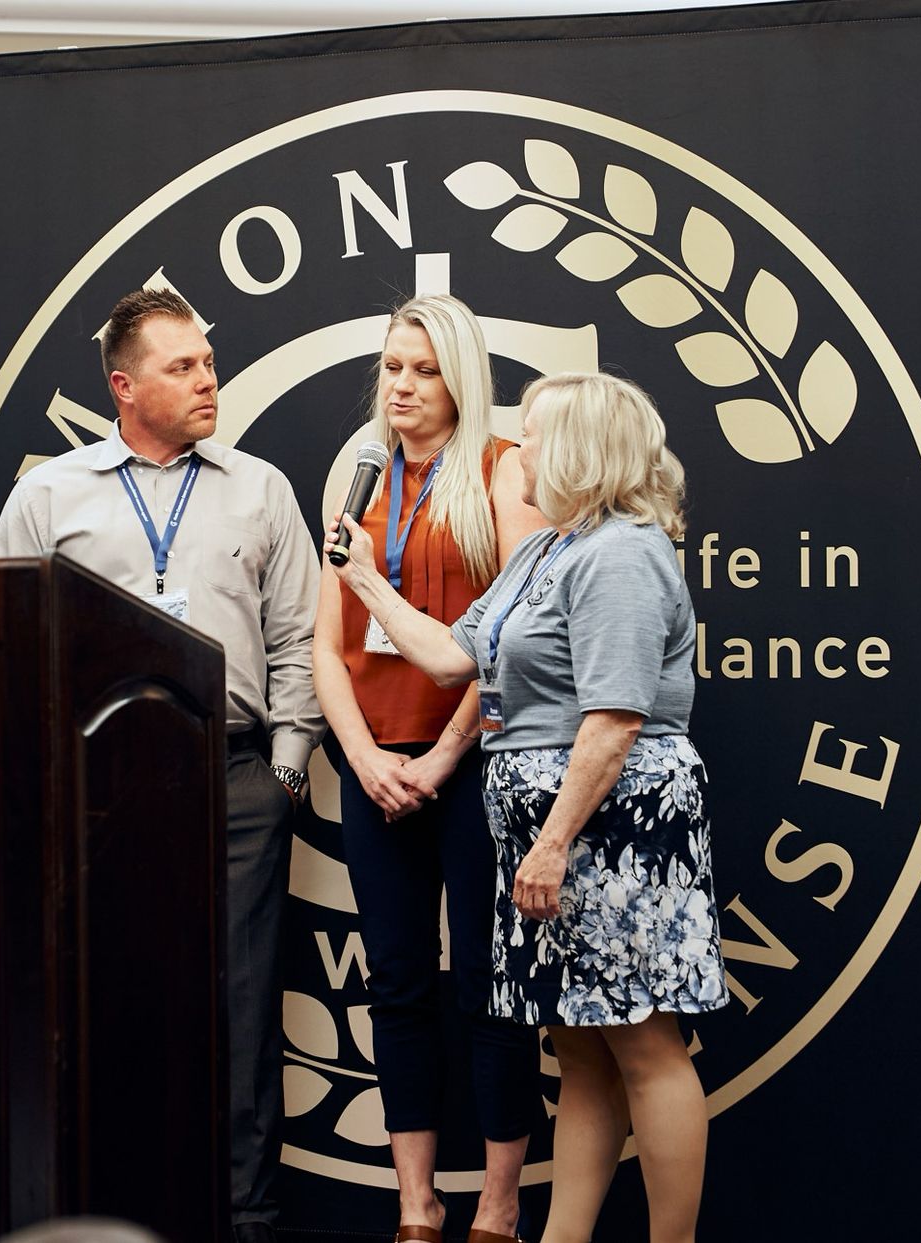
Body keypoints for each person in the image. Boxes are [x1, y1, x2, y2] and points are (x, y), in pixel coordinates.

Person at [325, 372, 729, 1243]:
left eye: (536, 438)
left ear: (581, 450)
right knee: (579, 1047)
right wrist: (364, 579)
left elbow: (614, 722)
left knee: (644, 1043)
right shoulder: (544, 551)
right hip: (553, 835)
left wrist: (549, 845)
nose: (520, 454)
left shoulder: (622, 553)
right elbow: (449, 658)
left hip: (612, 829)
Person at [0, 287, 322, 1243]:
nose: (208, 380)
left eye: (208, 363)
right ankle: (114, 1218)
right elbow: (13, 642)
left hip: (237, 779)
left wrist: (284, 773)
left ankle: (247, 1220)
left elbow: (299, 639)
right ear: (123, 386)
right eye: (183, 367)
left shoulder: (260, 488)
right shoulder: (48, 495)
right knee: (107, 1005)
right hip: (98, 788)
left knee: (244, 1010)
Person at [309, 296, 546, 1243]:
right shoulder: (358, 474)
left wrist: (446, 755)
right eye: (392, 367)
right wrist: (363, 756)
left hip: (476, 762)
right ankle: (417, 1204)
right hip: (376, 768)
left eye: (424, 369)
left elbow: (517, 639)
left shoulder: (504, 468)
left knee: (490, 985)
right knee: (398, 981)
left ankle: (498, 1205)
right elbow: (326, 644)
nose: (401, 386)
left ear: (461, 378)